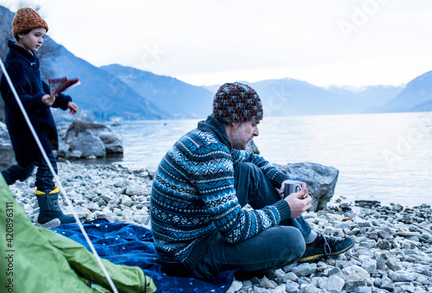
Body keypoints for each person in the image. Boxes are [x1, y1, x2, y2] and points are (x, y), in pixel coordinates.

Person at [151, 82, 354, 281]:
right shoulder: (211, 153)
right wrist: (284, 209)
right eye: (253, 124)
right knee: (292, 241)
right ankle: (299, 244)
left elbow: (251, 159)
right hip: (186, 256)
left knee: (249, 171)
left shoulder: (211, 139)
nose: (256, 132)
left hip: (197, 229)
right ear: (234, 120)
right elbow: (234, 230)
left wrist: (282, 179)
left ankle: (311, 240)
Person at [0, 7, 78, 224]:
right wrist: (37, 100)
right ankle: (49, 213)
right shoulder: (14, 64)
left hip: (37, 122)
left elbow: (41, 86)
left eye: (43, 36)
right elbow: (13, 98)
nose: (41, 40)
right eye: (36, 34)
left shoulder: (30, 59)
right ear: (20, 34)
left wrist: (62, 100)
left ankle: (0, 183)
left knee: (26, 168)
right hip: (27, 126)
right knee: (47, 164)